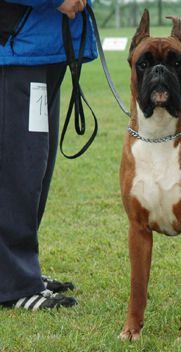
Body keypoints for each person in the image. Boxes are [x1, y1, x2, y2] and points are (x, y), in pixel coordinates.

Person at [0, 0, 97, 310]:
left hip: (43, 47)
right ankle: (13, 284)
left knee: (36, 167)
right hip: (17, 49)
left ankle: (21, 272)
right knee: (19, 170)